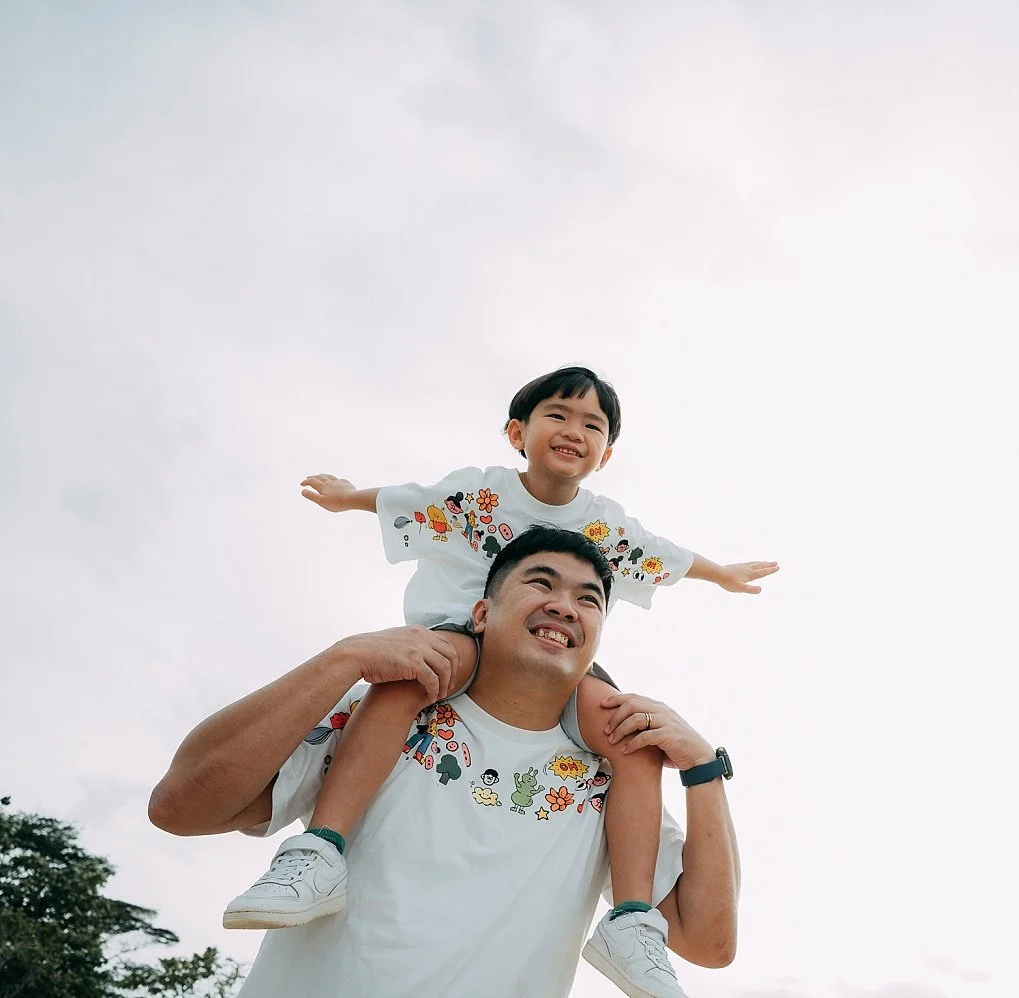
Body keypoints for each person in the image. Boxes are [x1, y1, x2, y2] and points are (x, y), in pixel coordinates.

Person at [224, 365, 774, 996]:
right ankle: (322, 850)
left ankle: (631, 923)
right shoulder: (479, 494)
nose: (574, 431)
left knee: (631, 732)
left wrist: (722, 574)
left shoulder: (609, 527)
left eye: (592, 425)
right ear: (518, 430)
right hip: (458, 638)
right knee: (409, 681)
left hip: (558, 662)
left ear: (607, 453)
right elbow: (408, 498)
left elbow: (669, 556)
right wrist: (349, 497)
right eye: (558, 416)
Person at [148, 526, 740, 998]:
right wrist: (343, 658)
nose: (566, 607)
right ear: (481, 614)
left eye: (590, 600)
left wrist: (703, 771)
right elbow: (180, 806)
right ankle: (317, 855)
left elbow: (709, 942)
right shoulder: (379, 712)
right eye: (541, 584)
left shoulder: (610, 777)